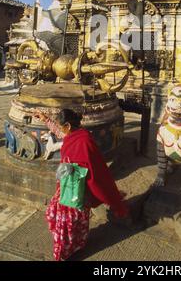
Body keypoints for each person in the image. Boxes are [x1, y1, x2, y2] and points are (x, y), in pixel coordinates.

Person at [43, 109, 129, 261]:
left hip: (77, 193)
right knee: (57, 217)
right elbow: (59, 133)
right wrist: (46, 120)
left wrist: (113, 200)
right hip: (65, 187)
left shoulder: (84, 142)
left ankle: (63, 253)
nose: (58, 128)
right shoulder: (73, 134)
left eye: (60, 125)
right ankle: (71, 248)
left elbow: (98, 175)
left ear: (68, 126)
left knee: (68, 225)